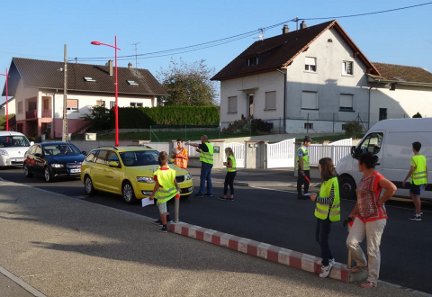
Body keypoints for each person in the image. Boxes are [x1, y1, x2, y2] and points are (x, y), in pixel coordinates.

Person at [346, 152, 397, 288]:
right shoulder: (364, 178)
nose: (357, 165)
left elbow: (392, 188)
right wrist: (352, 214)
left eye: (358, 163)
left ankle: (372, 280)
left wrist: (380, 201)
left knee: (372, 249)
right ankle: (362, 264)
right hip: (362, 216)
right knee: (351, 242)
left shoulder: (376, 177)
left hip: (376, 217)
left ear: (363, 164)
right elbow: (360, 199)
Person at [309, 158, 340, 278]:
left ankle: (326, 264)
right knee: (319, 238)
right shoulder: (326, 181)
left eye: (319, 167)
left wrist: (316, 199)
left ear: (324, 168)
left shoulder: (333, 181)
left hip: (327, 216)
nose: (318, 168)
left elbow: (331, 200)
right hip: (321, 214)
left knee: (323, 240)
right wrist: (317, 195)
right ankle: (330, 258)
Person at [149, 151, 180, 232]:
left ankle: (164, 226)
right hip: (171, 192)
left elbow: (157, 185)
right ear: (167, 160)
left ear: (159, 160)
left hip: (162, 194)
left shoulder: (157, 173)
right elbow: (174, 180)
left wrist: (152, 195)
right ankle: (168, 219)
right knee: (166, 207)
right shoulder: (171, 171)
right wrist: (178, 188)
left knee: (162, 210)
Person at [402, 141, 428, 221]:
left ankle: (418, 214)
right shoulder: (423, 157)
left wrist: (405, 180)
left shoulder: (414, 158)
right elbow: (426, 169)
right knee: (412, 194)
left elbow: (411, 170)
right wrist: (426, 180)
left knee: (416, 197)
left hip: (415, 180)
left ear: (413, 148)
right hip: (421, 180)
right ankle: (418, 210)